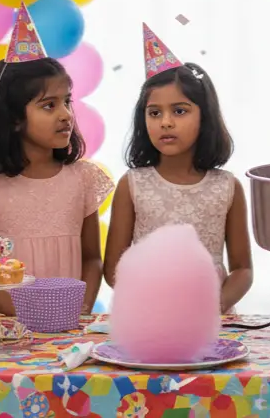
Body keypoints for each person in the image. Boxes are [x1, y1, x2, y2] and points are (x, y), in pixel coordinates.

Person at [104, 25, 252, 312]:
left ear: (205, 116)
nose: (166, 122)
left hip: (211, 320)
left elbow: (243, 269)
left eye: (180, 111)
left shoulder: (227, 187)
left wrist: (212, 307)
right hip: (146, 315)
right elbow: (113, 269)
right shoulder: (132, 184)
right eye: (155, 112)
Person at [0, 4, 113, 315]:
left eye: (67, 101)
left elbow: (92, 258)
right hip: (9, 331)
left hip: (67, 327)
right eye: (48, 105)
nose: (67, 114)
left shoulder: (83, 179)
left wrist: (78, 310)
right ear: (13, 118)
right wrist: (28, 311)